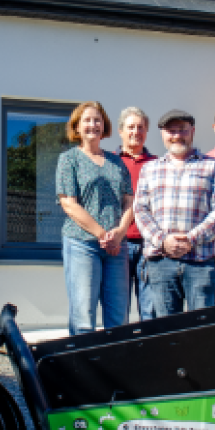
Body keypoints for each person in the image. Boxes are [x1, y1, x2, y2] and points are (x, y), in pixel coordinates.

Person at [133, 109, 215, 316]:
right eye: (171, 131)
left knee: (202, 330)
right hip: (161, 261)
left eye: (182, 130)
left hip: (201, 261)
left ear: (192, 131)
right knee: (167, 332)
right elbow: (140, 210)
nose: (177, 135)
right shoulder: (149, 169)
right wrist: (163, 240)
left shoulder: (212, 167)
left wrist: (190, 239)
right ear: (162, 134)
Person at [56, 101, 134, 336]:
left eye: (97, 120)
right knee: (83, 317)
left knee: (119, 316)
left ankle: (115, 368)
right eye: (87, 120)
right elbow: (69, 204)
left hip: (116, 248)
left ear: (105, 126)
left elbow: (129, 202)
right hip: (81, 244)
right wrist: (102, 234)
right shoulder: (69, 159)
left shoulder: (117, 161)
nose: (93, 124)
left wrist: (119, 234)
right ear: (77, 127)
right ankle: (82, 371)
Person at [115, 107, 157, 321]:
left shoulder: (159, 164)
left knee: (150, 308)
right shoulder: (110, 162)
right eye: (131, 127)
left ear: (146, 131)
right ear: (121, 131)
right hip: (119, 244)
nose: (136, 131)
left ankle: (149, 353)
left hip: (149, 244)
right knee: (118, 307)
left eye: (141, 127)